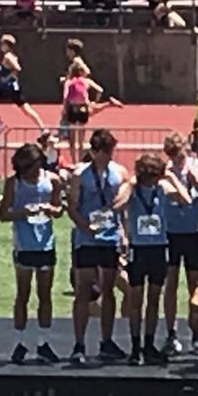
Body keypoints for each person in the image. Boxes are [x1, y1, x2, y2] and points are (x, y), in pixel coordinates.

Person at [68, 129, 130, 364]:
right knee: (84, 290)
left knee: (109, 290)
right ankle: (79, 344)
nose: (108, 156)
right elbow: (72, 207)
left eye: (110, 151)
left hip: (110, 238)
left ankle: (107, 341)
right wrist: (84, 227)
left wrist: (124, 234)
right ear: (93, 152)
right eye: (104, 152)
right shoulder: (80, 174)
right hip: (87, 239)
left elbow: (123, 204)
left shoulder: (119, 172)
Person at [0, 143, 62, 363]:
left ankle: (44, 342)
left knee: (45, 295)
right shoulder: (13, 184)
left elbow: (59, 208)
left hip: (46, 244)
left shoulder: (52, 180)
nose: (32, 172)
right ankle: (20, 342)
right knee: (23, 294)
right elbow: (3, 214)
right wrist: (22, 212)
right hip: (24, 245)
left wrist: (51, 210)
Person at [125, 151, 190, 365]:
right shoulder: (133, 190)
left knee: (153, 300)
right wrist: (132, 183)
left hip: (158, 248)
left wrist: (171, 178)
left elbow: (186, 200)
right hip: (138, 249)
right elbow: (117, 204)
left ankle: (148, 343)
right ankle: (135, 346)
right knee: (136, 300)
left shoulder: (162, 189)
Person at [161, 132, 198, 355]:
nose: (176, 159)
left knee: (194, 286)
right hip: (170, 233)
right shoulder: (165, 172)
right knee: (170, 284)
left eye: (178, 154)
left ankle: (197, 335)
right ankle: (171, 333)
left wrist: (195, 181)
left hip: (192, 232)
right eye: (172, 156)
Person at [0, 34, 43, 134]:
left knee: (25, 108)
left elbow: (17, 68)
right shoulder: (7, 57)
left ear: (7, 45)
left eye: (2, 44)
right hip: (6, 88)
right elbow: (4, 71)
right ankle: (1, 124)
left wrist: (8, 78)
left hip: (10, 87)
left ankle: (42, 128)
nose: (1, 46)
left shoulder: (8, 56)